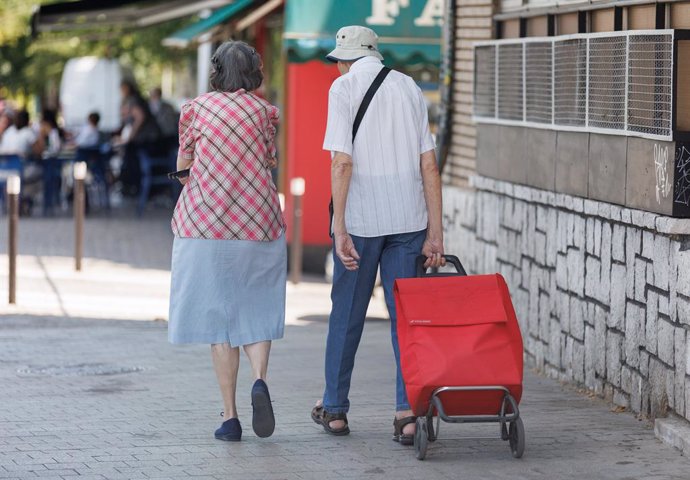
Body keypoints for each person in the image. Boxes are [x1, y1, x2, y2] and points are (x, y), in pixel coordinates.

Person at [310, 26, 445, 444]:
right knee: (405, 318)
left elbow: (341, 164)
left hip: (363, 220)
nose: (337, 70)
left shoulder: (343, 90)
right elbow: (429, 165)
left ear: (345, 60)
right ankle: (407, 413)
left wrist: (340, 225)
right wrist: (436, 232)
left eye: (337, 63)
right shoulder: (408, 88)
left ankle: (334, 409)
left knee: (347, 313)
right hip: (409, 220)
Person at [168, 41, 285, 443]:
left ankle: (231, 418)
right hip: (259, 223)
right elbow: (269, 159)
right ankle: (259, 380)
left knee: (220, 321)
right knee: (257, 307)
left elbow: (184, 162)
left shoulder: (196, 110)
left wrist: (190, 175)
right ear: (255, 71)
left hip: (205, 224)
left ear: (216, 71)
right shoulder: (266, 113)